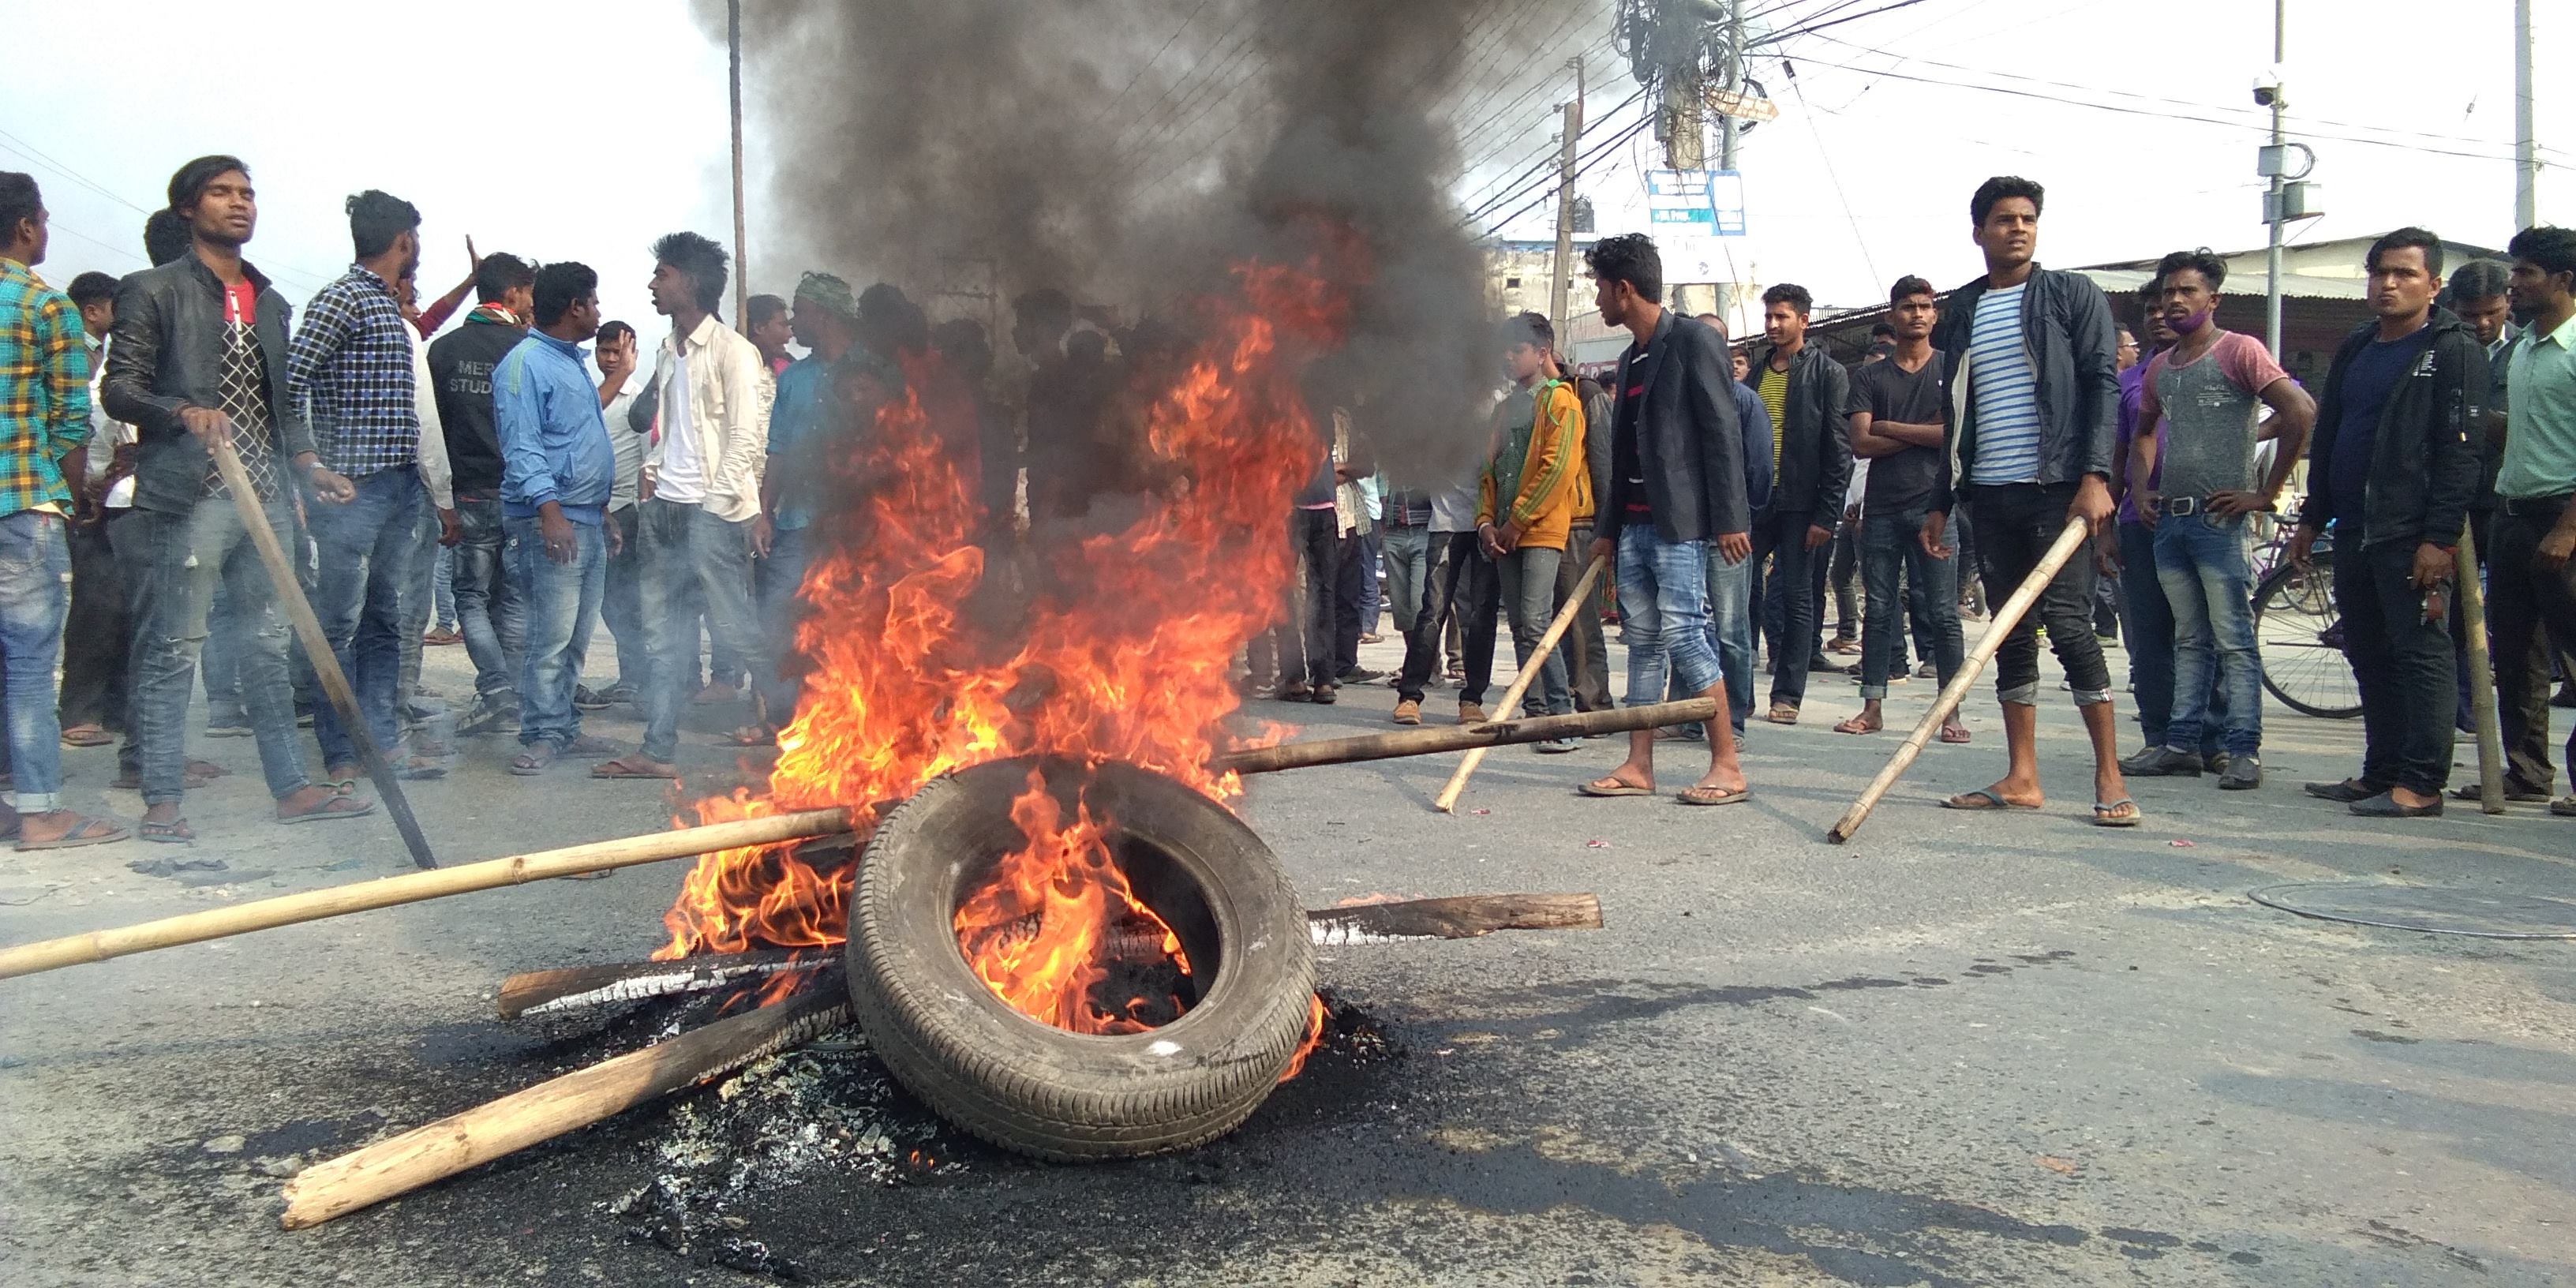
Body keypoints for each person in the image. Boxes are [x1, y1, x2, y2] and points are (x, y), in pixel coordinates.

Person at [104, 155, 373, 841]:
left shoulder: (270, 302)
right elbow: (120, 387)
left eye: (247, 193)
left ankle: (291, 788)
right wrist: (180, 411)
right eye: (222, 193)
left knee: (267, 646)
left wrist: (309, 463)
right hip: (191, 495)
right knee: (175, 647)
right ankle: (162, 799)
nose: (239, 204)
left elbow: (283, 406)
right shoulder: (153, 289)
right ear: (188, 209)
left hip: (266, 498)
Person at [1924, 176, 2135, 826]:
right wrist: (1942, 495)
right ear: (1979, 232)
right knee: (2009, 630)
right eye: (2004, 219)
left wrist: (2096, 475)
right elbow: (1952, 409)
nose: (2017, 228)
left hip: (2059, 488)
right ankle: (2022, 776)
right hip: (1988, 491)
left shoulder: (2071, 294)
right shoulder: (1961, 308)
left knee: (2069, 624)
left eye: (2027, 219)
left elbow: (2102, 383)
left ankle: (2109, 776)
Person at [2291, 228, 2486, 818]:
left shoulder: (2452, 349)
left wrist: (2440, 538)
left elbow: (2462, 451)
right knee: (2369, 652)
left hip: (2412, 533)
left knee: (2421, 655)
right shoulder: (2358, 345)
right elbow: (2328, 436)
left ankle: (2422, 784)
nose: (2389, 284)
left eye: (2403, 273)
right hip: (2353, 527)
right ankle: (2383, 772)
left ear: (2433, 284)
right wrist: (2311, 516)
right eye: (2380, 273)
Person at [2123, 249, 2315, 790]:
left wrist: (2265, 494)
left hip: (2218, 523)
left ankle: (2243, 751)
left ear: (2213, 300)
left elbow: (2300, 411)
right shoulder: (2161, 366)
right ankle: (2181, 745)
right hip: (2172, 523)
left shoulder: (2241, 352)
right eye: (2168, 294)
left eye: (2187, 291)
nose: (2175, 302)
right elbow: (2142, 432)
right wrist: (2141, 490)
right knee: (2189, 638)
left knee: (2234, 638)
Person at [1574, 233, 1751, 807]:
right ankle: (1638, 763)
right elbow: (1621, 452)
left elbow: (1722, 431)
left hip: (1682, 526)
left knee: (1685, 634)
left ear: (1624, 289)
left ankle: (1726, 764)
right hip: (1635, 527)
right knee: (1643, 642)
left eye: (1600, 287)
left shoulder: (1694, 340)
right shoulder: (1630, 359)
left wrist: (1729, 518)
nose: (1597, 297)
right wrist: (1606, 529)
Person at [593, 232, 773, 781]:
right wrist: (653, 478)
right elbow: (666, 432)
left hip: (709, 516)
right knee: (662, 638)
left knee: (740, 632)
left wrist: (713, 509)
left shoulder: (735, 352)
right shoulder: (669, 351)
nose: (652, 283)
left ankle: (803, 733)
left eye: (663, 274)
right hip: (664, 513)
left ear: (691, 284)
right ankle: (657, 751)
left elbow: (747, 439)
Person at [286, 189, 444, 785]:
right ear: (404, 241)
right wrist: (309, 463)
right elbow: (291, 382)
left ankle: (380, 742)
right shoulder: (342, 300)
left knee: (388, 619)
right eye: (417, 239)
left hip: (399, 488)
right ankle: (343, 752)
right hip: (352, 492)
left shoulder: (386, 307)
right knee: (341, 625)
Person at [0, 173, 126, 849]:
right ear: (26, 228)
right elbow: (71, 421)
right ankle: (42, 810)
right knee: (26, 667)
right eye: (44, 221)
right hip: (22, 502)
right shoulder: (46, 308)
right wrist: (77, 494)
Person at [492, 261, 620, 775]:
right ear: (575, 308)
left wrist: (601, 512)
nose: (598, 312)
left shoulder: (572, 363)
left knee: (576, 637)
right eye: (594, 302)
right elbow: (523, 449)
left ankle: (563, 725)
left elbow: (582, 444)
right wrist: (551, 514)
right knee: (550, 636)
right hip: (550, 521)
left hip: (585, 519)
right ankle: (542, 734)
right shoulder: (524, 365)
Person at [1835, 276, 1968, 743]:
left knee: (1943, 612)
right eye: (1907, 306)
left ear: (1936, 315)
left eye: (1925, 306)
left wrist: (1889, 425)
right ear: (1892, 315)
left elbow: (1954, 436)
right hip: (1884, 508)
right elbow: (1860, 442)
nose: (1917, 313)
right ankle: (1872, 706)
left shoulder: (1951, 369)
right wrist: (1920, 429)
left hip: (1937, 506)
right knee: (1880, 608)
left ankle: (1949, 712)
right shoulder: (1871, 375)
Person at [2444, 257, 2554, 799]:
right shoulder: (2446, 349)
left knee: (2544, 645)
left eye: (2491, 313)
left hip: (2527, 504)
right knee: (2501, 647)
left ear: (2507, 306)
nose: (2482, 324)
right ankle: (2522, 768)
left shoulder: (2531, 352)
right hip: (2463, 510)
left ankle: (2540, 768)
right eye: (2471, 315)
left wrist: (2474, 422)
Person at [2484, 226, 2576, 818]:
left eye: (2526, 274)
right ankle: (2527, 774)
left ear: (2565, 282)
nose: (2513, 284)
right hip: (2512, 513)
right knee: (2515, 654)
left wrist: (2569, 528)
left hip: (2564, 517)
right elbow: (2523, 431)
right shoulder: (2518, 349)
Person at [426, 252, 537, 734]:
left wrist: (440, 496)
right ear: (513, 293)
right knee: (509, 599)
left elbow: (430, 427)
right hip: (516, 495)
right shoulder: (528, 349)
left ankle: (497, 692)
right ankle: (503, 692)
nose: (533, 301)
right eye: (529, 291)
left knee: (469, 597)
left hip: (466, 492)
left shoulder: (443, 350)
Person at [753, 271, 859, 734]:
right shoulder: (793, 377)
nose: (794, 322)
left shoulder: (872, 372)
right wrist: (764, 511)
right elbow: (777, 448)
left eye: (801, 311)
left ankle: (846, 724)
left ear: (826, 314)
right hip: (796, 525)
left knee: (848, 628)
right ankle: (790, 726)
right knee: (781, 624)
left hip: (857, 529)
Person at [1474, 313, 1586, 750]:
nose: (1508, 357)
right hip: (1503, 531)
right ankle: (1535, 712)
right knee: (1521, 623)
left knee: (1537, 620)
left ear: (1542, 354)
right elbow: (1489, 469)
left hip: (1539, 531)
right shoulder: (1504, 410)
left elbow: (1558, 468)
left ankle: (1561, 717)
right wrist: (1486, 523)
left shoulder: (1562, 402)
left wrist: (1518, 520)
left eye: (1517, 350)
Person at [1744, 283, 1852, 725]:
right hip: (1755, 501)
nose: (1772, 325)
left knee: (1797, 596)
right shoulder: (1755, 372)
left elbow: (1838, 448)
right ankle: (1737, 691)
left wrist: (1827, 514)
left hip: (1802, 504)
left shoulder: (1827, 373)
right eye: (1768, 316)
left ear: (1803, 321)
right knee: (1740, 591)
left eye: (1781, 317)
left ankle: (1787, 693)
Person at [58, 271, 128, 751]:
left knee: (111, 601)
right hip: (84, 493)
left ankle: (106, 709)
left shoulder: (103, 355)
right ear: (94, 310)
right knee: (95, 603)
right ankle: (80, 711)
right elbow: (80, 421)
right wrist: (85, 490)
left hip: (101, 488)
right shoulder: (80, 355)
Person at [595, 320, 649, 704]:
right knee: (604, 603)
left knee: (623, 601)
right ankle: (631, 676)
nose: (612, 359)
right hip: (591, 512)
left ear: (633, 355)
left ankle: (635, 678)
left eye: (620, 352)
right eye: (606, 351)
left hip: (626, 512)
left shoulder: (637, 401)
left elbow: (650, 458)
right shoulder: (590, 394)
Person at [743, 293, 792, 376]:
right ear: (759, 328)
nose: (790, 333)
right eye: (783, 325)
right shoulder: (736, 363)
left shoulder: (788, 367)